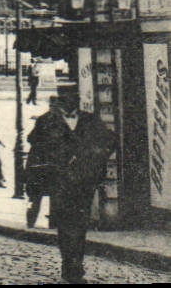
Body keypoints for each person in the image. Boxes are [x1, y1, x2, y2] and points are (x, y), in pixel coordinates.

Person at [48, 90, 117, 285]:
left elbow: (110, 140)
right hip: (60, 182)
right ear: (61, 102)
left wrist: (96, 157)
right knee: (64, 225)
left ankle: (76, 268)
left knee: (80, 224)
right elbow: (36, 144)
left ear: (77, 102)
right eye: (66, 100)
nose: (70, 103)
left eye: (73, 100)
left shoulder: (90, 120)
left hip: (83, 182)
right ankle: (68, 265)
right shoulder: (49, 121)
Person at [25, 95, 71, 228]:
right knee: (54, 195)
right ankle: (52, 224)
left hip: (41, 164)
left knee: (36, 196)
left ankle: (31, 223)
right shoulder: (63, 122)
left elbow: (31, 138)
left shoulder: (43, 119)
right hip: (54, 164)